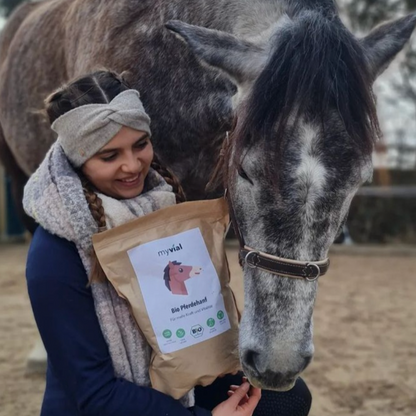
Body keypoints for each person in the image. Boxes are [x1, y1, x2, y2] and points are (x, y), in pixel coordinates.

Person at [24, 70, 312, 416]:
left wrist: (231, 363)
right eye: (109, 156)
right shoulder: (53, 256)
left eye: (140, 144)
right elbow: (95, 393)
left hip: (174, 381)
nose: (132, 166)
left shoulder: (164, 208)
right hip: (104, 405)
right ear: (77, 159)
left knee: (286, 399)